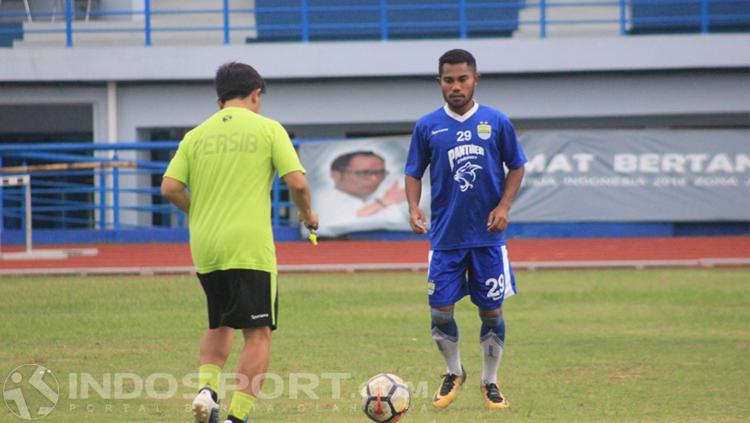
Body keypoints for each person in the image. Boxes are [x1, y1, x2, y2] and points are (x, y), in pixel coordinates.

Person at [161, 62, 318, 423]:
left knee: (219, 322)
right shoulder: (268, 129)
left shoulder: (195, 135)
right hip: (248, 246)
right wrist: (308, 215)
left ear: (219, 101)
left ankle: (206, 390)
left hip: (205, 244)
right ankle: (236, 418)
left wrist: (197, 212)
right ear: (255, 94)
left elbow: (170, 188)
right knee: (258, 333)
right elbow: (297, 183)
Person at [404, 49, 527, 410]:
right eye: (448, 80)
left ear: (475, 79)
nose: (456, 86)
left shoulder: (496, 121)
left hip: (488, 238)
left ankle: (490, 380)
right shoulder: (428, 126)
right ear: (439, 83)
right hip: (445, 238)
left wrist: (504, 206)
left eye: (462, 79)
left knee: (491, 312)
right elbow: (413, 171)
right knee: (440, 308)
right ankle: (454, 372)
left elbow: (516, 166)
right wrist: (413, 207)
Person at [315, 150, 408, 237]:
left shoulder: (385, 194)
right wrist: (384, 202)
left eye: (380, 172)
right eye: (363, 173)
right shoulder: (322, 198)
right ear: (336, 175)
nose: (374, 179)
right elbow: (341, 223)